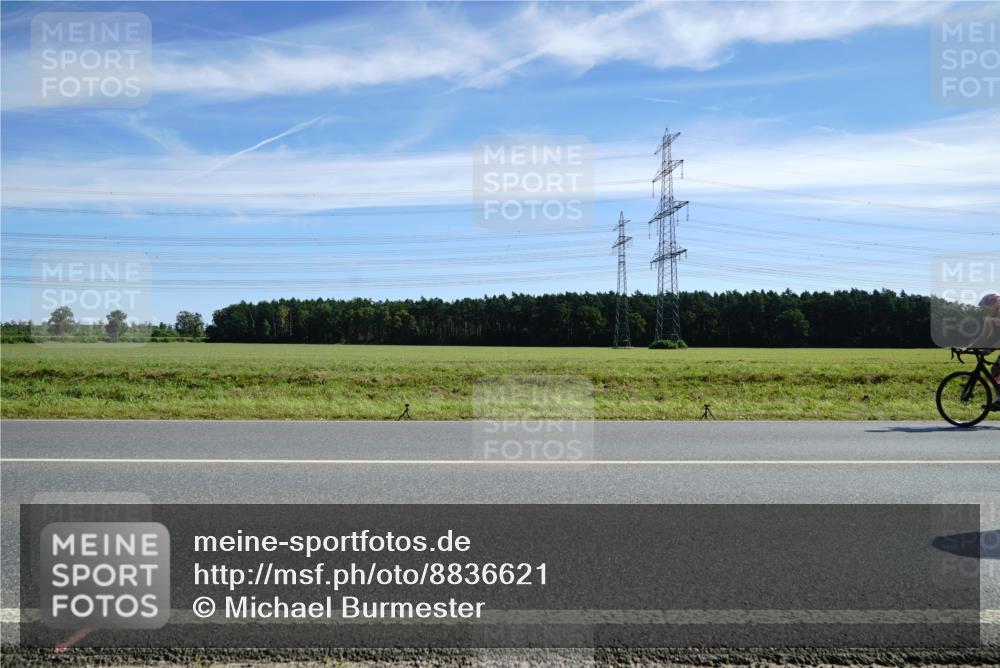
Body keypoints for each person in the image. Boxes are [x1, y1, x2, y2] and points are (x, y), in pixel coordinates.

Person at [962, 292, 1000, 409]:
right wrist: (968, 348)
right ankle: (999, 399)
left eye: (986, 308)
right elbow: (984, 337)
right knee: (995, 370)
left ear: (994, 305)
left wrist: (991, 349)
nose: (985, 311)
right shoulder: (989, 318)